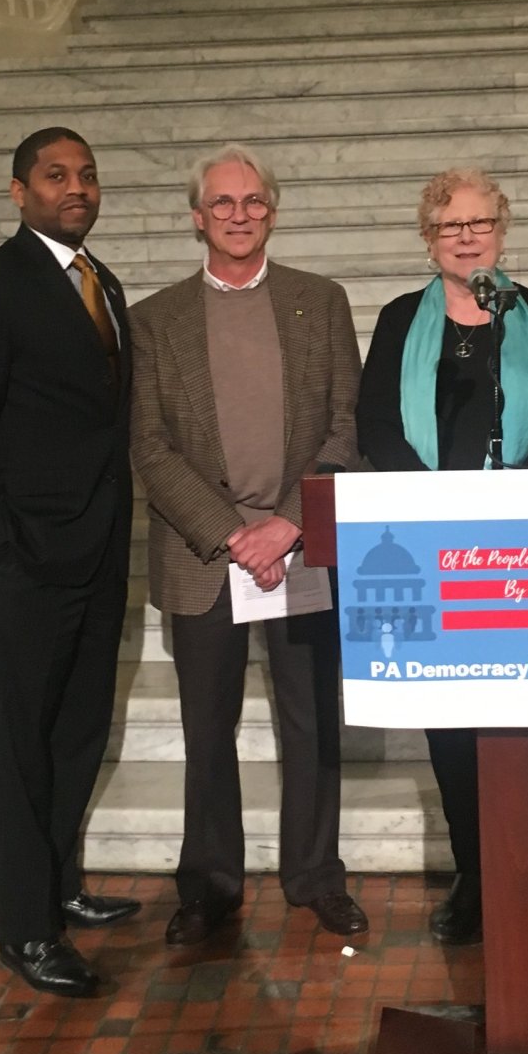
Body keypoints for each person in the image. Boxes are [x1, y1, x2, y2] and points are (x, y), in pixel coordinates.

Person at [129, 144, 368, 948]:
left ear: (273, 210)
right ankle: (208, 888)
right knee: (208, 731)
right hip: (204, 556)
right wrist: (233, 534)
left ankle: (316, 876)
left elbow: (346, 424)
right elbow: (150, 446)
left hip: (298, 547)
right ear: (197, 218)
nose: (240, 214)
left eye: (254, 200)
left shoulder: (320, 302)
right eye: (223, 203)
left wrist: (288, 523)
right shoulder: (154, 321)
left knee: (312, 722)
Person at [0, 127, 138, 1000]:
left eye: (86, 174)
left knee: (78, 731)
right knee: (18, 747)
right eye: (56, 175)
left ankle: (57, 886)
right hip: (25, 560)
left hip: (99, 548)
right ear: (20, 192)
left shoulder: (103, 282)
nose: (76, 187)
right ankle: (23, 928)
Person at [356, 167, 528, 944]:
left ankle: (519, 873)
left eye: (479, 222)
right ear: (428, 239)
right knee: (451, 724)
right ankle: (473, 875)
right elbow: (377, 427)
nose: (466, 237)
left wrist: (516, 502)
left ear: (502, 230)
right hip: (431, 549)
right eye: (449, 225)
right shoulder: (399, 321)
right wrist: (436, 507)